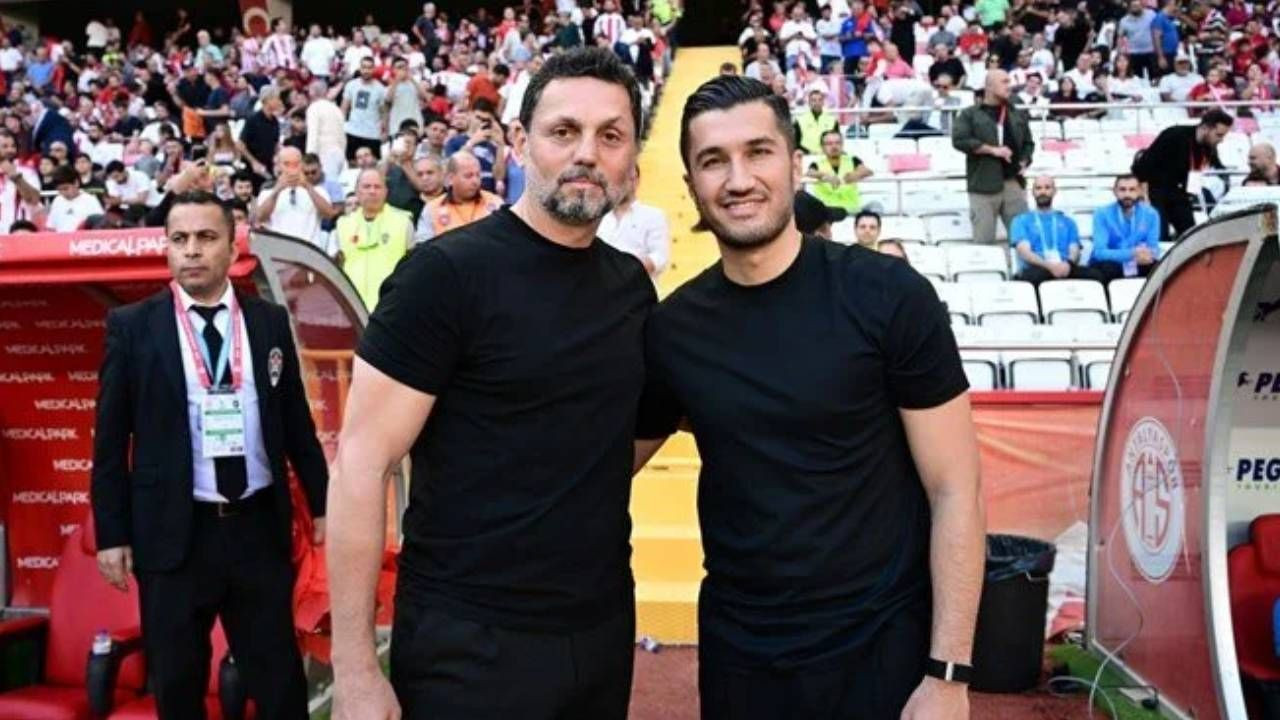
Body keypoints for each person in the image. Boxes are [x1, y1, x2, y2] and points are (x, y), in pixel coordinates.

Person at [634, 75, 982, 720]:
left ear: (795, 165)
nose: (738, 179)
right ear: (690, 185)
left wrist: (949, 674)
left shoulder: (890, 296)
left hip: (882, 647)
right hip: (742, 659)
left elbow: (955, 489)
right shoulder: (674, 330)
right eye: (713, 161)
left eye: (758, 152)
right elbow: (601, 464)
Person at [327, 47, 651, 720]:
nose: (587, 153)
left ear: (632, 158)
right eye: (564, 131)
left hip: (599, 629)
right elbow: (361, 463)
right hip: (468, 641)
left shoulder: (630, 288)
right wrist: (355, 668)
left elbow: (614, 443)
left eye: (610, 136)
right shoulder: (443, 276)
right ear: (520, 142)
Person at [91, 190, 328, 720]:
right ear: (167, 248)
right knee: (178, 686)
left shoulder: (267, 321)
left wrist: (322, 504)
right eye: (179, 239)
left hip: (256, 531)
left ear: (232, 247)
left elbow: (295, 420)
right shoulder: (133, 327)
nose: (192, 250)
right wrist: (112, 533)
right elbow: (108, 441)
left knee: (281, 686)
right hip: (173, 537)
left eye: (205, 237)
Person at [952, 69, 1033, 245]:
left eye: (1009, 81)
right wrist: (992, 150)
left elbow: (1028, 143)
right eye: (1004, 82)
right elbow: (959, 140)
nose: (1009, 86)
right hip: (983, 185)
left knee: (1024, 240)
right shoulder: (969, 114)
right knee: (984, 240)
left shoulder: (1016, 113)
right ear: (989, 86)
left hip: (1013, 182)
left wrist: (1025, 160)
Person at [1132, 108, 1231, 243]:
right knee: (1160, 235)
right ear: (1205, 128)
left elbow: (1198, 171)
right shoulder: (1174, 135)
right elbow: (1142, 166)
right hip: (1155, 190)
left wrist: (1191, 195)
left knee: (1191, 235)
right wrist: (1144, 197)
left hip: (1179, 192)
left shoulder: (1207, 147)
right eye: (1218, 135)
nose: (1221, 140)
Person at [334, 169, 413, 311]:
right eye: (367, 187)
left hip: (392, 306)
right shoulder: (343, 224)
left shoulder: (403, 222)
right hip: (353, 306)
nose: (372, 191)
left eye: (377, 187)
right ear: (357, 192)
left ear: (386, 191)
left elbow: (413, 266)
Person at [1008, 175, 1096, 285]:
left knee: (1095, 275)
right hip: (1037, 267)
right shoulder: (1021, 220)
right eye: (1038, 188)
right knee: (1035, 277)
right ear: (1033, 192)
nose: (1043, 192)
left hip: (1065, 266)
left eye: (1047, 187)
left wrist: (1068, 264)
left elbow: (1074, 250)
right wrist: (1050, 266)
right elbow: (1024, 252)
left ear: (1054, 191)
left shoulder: (1068, 222)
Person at [597, 164, 671, 279]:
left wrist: (627, 271)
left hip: (637, 285)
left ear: (636, 180)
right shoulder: (599, 217)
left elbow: (659, 258)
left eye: (625, 177)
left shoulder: (653, 216)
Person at [255, 147, 335, 251]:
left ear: (302, 165)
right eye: (287, 164)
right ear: (279, 166)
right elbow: (260, 217)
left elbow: (329, 214)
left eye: (296, 164)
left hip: (310, 251)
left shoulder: (318, 191)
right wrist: (277, 190)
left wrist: (307, 186)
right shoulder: (267, 193)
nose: (291, 168)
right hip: (280, 251)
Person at [419, 151, 505, 242]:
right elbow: (423, 246)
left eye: (478, 175)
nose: (475, 181)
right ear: (450, 178)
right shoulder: (432, 210)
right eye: (468, 176)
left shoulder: (495, 204)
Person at [1089, 174, 1162, 282]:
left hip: (1139, 262)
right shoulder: (1102, 214)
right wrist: (1131, 253)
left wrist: (1147, 255)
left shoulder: (1151, 214)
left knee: (1158, 269)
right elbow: (1099, 252)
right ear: (1115, 191)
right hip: (1112, 264)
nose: (1127, 194)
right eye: (1122, 190)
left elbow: (1153, 248)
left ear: (1139, 191)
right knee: (1108, 268)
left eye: (1132, 190)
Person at [805, 129, 870, 212]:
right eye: (829, 144)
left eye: (837, 143)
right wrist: (825, 176)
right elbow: (810, 173)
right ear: (822, 147)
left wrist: (854, 175)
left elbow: (866, 171)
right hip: (827, 210)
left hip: (850, 209)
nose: (834, 146)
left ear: (842, 145)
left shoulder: (853, 160)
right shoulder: (816, 164)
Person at [342, 57, 388, 162]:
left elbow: (384, 112)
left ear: (373, 69)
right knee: (352, 163)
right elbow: (344, 108)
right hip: (352, 132)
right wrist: (341, 127)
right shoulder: (351, 85)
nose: (366, 70)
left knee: (373, 164)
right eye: (364, 67)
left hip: (372, 134)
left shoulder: (380, 89)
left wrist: (385, 131)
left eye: (369, 68)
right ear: (360, 68)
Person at [0, 129, 43, 233]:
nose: (10, 150)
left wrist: (16, 178)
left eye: (13, 146)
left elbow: (34, 199)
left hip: (20, 233)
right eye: (5, 146)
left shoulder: (26, 171)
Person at [47, 164, 105, 232]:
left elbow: (99, 226)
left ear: (76, 183)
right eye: (60, 190)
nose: (63, 193)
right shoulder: (57, 201)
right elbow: (51, 227)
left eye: (65, 188)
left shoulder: (90, 200)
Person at [793, 86, 840, 155]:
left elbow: (837, 142)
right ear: (809, 103)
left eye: (820, 100)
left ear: (823, 102)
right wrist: (809, 152)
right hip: (806, 157)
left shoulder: (833, 121)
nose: (817, 103)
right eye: (814, 100)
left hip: (826, 157)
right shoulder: (799, 121)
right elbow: (795, 143)